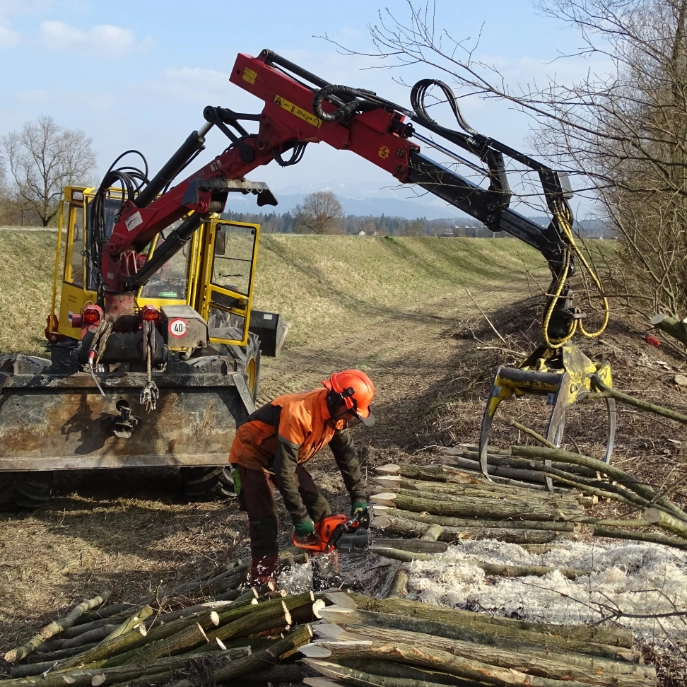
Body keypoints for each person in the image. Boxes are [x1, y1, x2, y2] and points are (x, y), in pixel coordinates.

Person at [228, 369, 375, 584]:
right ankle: (262, 579)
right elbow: (284, 472)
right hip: (252, 453)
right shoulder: (300, 414)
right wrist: (301, 518)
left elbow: (348, 458)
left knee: (321, 509)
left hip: (282, 455)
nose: (350, 420)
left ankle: (324, 572)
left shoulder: (336, 417)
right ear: (336, 400)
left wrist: (359, 498)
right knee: (265, 520)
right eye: (350, 414)